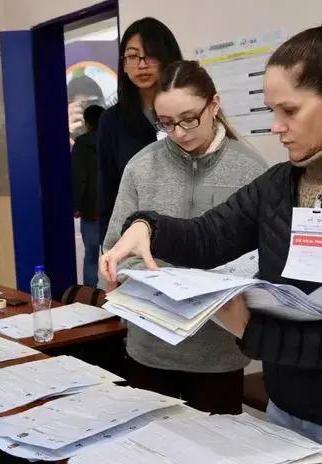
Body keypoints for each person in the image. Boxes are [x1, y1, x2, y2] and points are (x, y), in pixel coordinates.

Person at [101, 7, 322, 463]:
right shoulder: (282, 183)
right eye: (272, 110)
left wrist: (248, 329)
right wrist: (146, 227)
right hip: (287, 410)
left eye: (289, 110)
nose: (276, 126)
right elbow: (209, 236)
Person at [103, 60, 267, 414]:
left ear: (215, 105)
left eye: (189, 118)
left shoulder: (252, 170)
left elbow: (265, 259)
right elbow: (114, 249)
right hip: (150, 348)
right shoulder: (141, 166)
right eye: (166, 123)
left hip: (217, 353)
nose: (178, 132)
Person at [97, 17, 182, 242]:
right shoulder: (112, 121)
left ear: (168, 58)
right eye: (133, 56)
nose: (142, 65)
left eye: (151, 55)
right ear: (123, 64)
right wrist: (108, 249)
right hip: (133, 241)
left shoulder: (188, 112)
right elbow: (108, 195)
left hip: (187, 235)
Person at [72, 104, 105, 287]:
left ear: (87, 123)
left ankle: (90, 294)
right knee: (115, 255)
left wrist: (76, 205)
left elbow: (79, 178)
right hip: (111, 209)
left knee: (91, 257)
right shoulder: (113, 142)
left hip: (91, 210)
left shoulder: (82, 145)